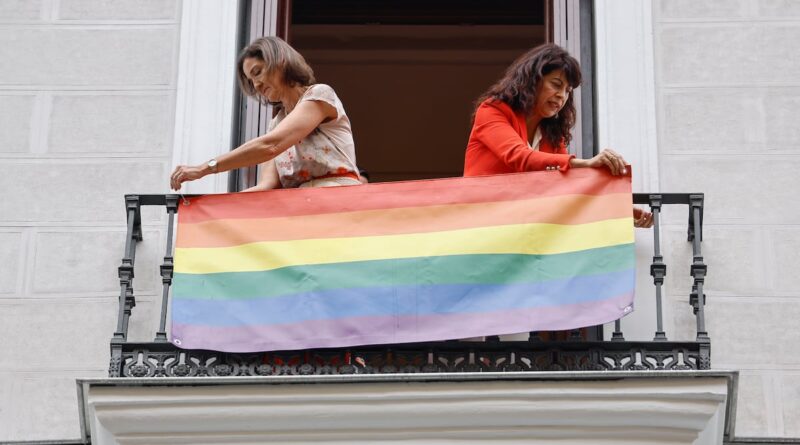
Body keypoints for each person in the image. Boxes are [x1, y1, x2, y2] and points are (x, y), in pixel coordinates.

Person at [464, 43, 653, 228]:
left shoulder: (551, 134)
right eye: (556, 84)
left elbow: (569, 184)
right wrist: (586, 163)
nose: (562, 96)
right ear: (533, 79)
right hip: (484, 225)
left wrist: (617, 209)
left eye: (568, 91)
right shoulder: (492, 110)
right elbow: (519, 156)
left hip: (523, 230)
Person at [170, 36, 361, 191]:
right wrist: (213, 207)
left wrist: (205, 168)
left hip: (338, 202)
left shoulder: (320, 95)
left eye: (258, 72)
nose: (256, 85)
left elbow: (271, 145)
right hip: (302, 213)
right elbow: (266, 186)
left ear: (281, 61)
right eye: (250, 79)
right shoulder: (276, 124)